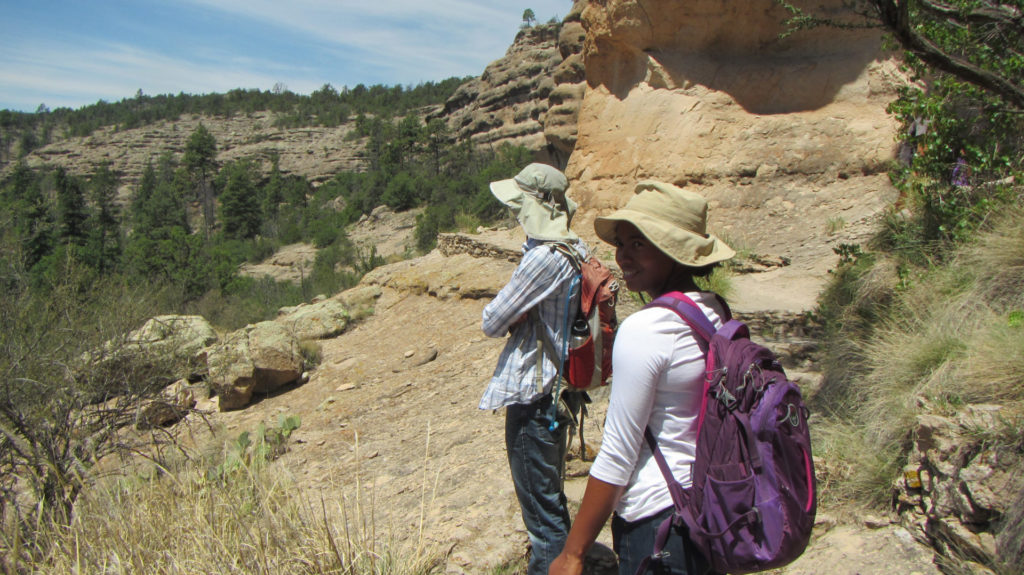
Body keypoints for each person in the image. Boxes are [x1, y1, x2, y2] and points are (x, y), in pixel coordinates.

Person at [549, 181, 735, 575]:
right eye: (623, 242)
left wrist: (573, 553)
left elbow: (618, 453)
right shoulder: (715, 309)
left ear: (674, 251)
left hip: (657, 521)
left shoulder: (648, 328)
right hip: (707, 508)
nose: (622, 256)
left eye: (639, 244)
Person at [480, 163, 590, 575]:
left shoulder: (544, 258)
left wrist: (515, 314)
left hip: (534, 396)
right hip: (561, 389)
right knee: (550, 498)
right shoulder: (575, 249)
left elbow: (492, 320)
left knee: (543, 522)